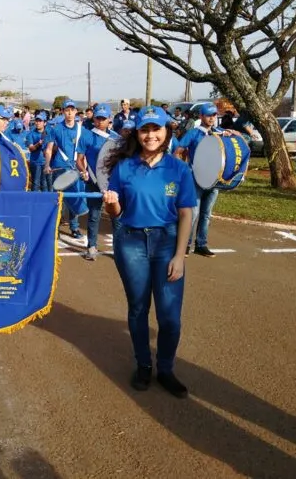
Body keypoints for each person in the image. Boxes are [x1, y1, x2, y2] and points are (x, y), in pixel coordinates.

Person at [102, 106, 196, 398]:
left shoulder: (179, 169)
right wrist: (111, 202)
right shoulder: (125, 167)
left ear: (166, 132)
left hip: (167, 242)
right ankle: (144, 365)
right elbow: (116, 214)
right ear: (138, 133)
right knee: (139, 308)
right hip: (130, 242)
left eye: (156, 129)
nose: (151, 135)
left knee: (169, 317)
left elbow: (185, 214)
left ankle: (165, 368)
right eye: (145, 130)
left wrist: (180, 256)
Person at [175, 104, 243, 257]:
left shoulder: (219, 133)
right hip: (196, 178)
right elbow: (178, 151)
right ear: (201, 116)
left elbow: (239, 140)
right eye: (208, 115)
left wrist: (233, 132)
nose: (212, 118)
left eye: (214, 115)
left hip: (214, 179)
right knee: (193, 212)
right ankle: (185, 245)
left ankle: (201, 244)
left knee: (206, 214)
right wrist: (183, 170)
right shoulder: (193, 133)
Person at [77, 103, 120, 261]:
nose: (100, 121)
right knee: (94, 215)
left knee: (116, 216)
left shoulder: (116, 138)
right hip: (93, 182)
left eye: (104, 118)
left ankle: (118, 248)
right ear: (94, 119)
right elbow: (80, 159)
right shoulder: (87, 135)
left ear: (109, 119)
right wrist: (83, 171)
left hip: (113, 184)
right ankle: (92, 247)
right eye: (98, 118)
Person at [44, 100, 92, 239]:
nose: (69, 113)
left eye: (72, 110)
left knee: (75, 198)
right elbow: (48, 149)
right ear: (63, 112)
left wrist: (86, 169)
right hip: (60, 167)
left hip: (77, 168)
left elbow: (85, 152)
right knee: (58, 199)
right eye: (67, 110)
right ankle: (55, 227)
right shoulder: (56, 129)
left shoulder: (82, 130)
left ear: (76, 111)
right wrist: (47, 164)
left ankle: (74, 227)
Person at [26, 112, 50, 192]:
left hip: (46, 163)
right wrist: (38, 144)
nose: (38, 123)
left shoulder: (49, 134)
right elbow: (31, 148)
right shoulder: (31, 134)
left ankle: (45, 202)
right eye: (37, 121)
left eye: (40, 121)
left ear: (45, 123)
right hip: (35, 163)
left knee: (45, 184)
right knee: (35, 184)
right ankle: (34, 202)